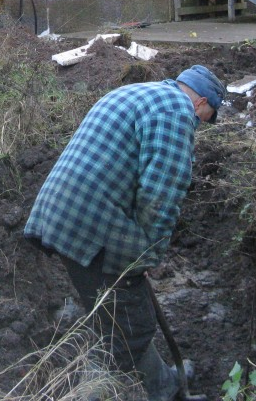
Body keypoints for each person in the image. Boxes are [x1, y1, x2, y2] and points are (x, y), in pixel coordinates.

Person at [24, 64, 226, 401]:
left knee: (118, 318)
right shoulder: (177, 111)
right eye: (207, 116)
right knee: (126, 325)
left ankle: (163, 384)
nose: (202, 124)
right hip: (90, 222)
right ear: (201, 101)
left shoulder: (138, 93)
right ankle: (97, 392)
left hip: (61, 212)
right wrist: (148, 254)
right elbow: (162, 194)